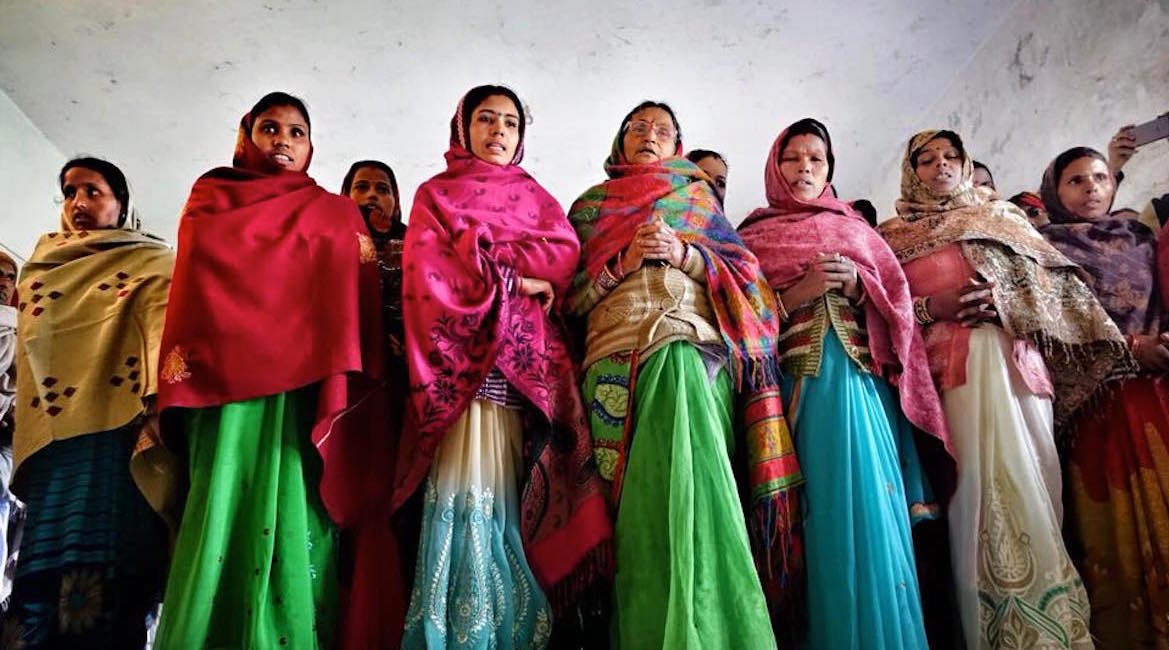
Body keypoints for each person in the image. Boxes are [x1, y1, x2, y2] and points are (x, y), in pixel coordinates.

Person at [879, 129, 1132, 650]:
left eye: (951, 156)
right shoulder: (892, 237)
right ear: (911, 172)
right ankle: (994, 634)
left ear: (967, 162)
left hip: (1020, 369)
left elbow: (1062, 289)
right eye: (925, 160)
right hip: (955, 376)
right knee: (975, 494)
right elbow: (887, 311)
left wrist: (1007, 300)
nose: (940, 166)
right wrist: (937, 308)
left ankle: (1060, 628)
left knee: (1038, 486)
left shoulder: (1003, 218)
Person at [155, 92, 391, 649]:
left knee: (298, 512)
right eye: (270, 128)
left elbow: (352, 290)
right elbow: (199, 282)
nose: (283, 141)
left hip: (303, 396)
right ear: (247, 136)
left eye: (296, 132)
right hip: (224, 391)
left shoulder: (335, 212)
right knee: (221, 508)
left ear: (311, 148)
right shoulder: (213, 197)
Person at [567, 100, 798, 649]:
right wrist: (621, 265)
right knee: (639, 514)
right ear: (618, 141)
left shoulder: (697, 200)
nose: (650, 136)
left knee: (701, 494)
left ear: (677, 147)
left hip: (692, 355)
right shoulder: (588, 210)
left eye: (663, 131)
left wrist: (685, 254)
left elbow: (754, 287)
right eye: (638, 127)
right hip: (613, 367)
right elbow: (567, 302)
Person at [395, 85, 612, 649]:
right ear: (462, 127)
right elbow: (429, 276)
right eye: (486, 119)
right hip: (461, 372)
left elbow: (564, 254)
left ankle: (513, 626)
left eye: (510, 123)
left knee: (519, 494)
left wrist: (487, 253)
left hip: (527, 377)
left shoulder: (536, 196)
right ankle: (462, 630)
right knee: (466, 489)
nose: (498, 131)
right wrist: (523, 279)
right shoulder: (435, 194)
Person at [739, 118, 952, 649]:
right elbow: (736, 320)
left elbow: (899, 308)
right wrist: (797, 295)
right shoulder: (750, 239)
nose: (805, 168)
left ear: (830, 168)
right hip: (797, 395)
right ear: (774, 165)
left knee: (877, 514)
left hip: (863, 389)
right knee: (820, 522)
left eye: (817, 158)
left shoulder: (857, 229)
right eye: (793, 158)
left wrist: (861, 289)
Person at [4, 157, 174, 649]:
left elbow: (163, 334)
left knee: (110, 559)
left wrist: (162, 405)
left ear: (121, 205)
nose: (79, 203)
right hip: (57, 443)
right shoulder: (41, 265)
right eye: (70, 192)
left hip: (118, 434)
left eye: (93, 192)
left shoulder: (154, 260)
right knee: (44, 563)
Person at [1040, 145, 1169, 647]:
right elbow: (1053, 327)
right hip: (1097, 406)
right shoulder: (1045, 249)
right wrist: (1131, 349)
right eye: (1076, 180)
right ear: (1056, 190)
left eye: (1099, 176)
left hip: (1156, 394)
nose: (1092, 187)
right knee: (1116, 533)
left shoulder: (1139, 235)